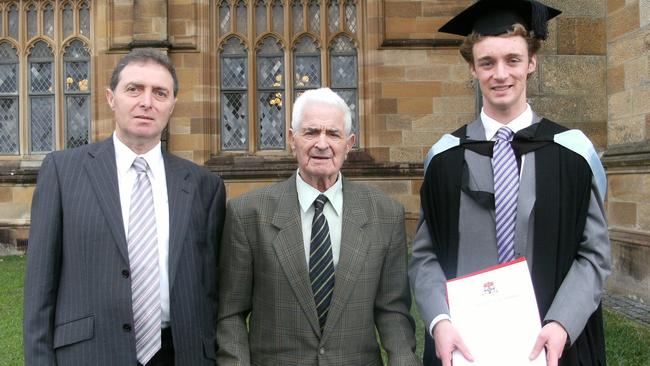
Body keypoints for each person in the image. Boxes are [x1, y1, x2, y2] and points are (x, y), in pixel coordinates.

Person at [408, 1, 611, 366]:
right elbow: (424, 256)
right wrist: (439, 320)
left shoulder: (573, 154)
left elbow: (593, 254)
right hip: (466, 349)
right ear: (472, 68)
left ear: (531, 62)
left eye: (512, 60)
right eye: (487, 62)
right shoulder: (445, 158)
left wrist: (563, 322)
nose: (500, 74)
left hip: (552, 347)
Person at [23, 48, 226, 365]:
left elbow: (211, 289)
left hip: (178, 353)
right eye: (134, 89)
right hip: (89, 354)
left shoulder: (205, 186)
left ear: (172, 104)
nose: (147, 102)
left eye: (160, 93)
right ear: (110, 98)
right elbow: (39, 290)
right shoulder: (63, 172)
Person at [216, 87, 421, 365]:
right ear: (292, 139)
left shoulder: (384, 214)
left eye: (333, 134)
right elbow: (231, 314)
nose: (322, 144)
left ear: (349, 144)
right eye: (311, 132)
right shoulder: (248, 214)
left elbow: (393, 311)